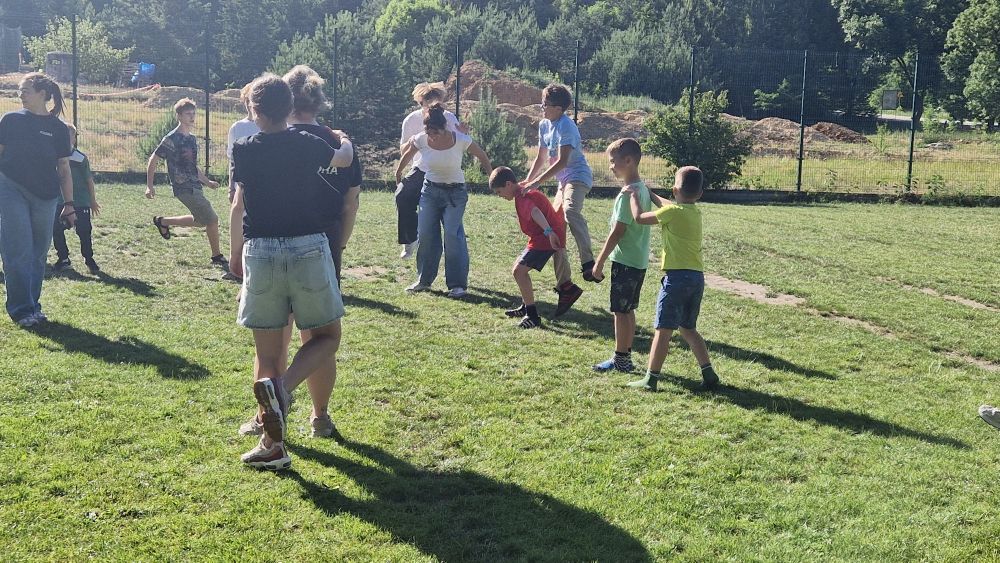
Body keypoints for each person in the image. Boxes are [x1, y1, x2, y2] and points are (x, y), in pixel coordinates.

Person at [229, 73, 354, 470]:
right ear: (291, 107)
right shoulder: (307, 143)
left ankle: (273, 444)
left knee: (268, 355)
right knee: (327, 337)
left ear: (254, 110)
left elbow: (239, 203)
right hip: (308, 248)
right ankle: (283, 391)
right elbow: (343, 159)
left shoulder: (243, 149)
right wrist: (343, 139)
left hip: (260, 251)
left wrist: (234, 254)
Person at [624, 166, 720, 392]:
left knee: (663, 330)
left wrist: (635, 196)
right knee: (688, 328)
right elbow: (670, 206)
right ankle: (708, 373)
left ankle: (650, 379)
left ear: (675, 189)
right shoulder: (693, 212)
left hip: (676, 279)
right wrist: (652, 194)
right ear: (700, 194)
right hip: (696, 279)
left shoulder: (673, 212)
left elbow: (640, 218)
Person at [0, 72, 76, 327]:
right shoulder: (10, 120)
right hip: (11, 188)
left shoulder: (59, 128)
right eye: (20, 90)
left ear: (43, 94)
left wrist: (69, 204)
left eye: (25, 90)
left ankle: (33, 306)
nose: (20, 94)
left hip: (46, 196)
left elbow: (64, 168)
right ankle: (21, 310)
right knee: (18, 249)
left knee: (38, 252)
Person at [395, 103, 491, 299]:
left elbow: (481, 155)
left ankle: (457, 285)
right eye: (429, 132)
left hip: (455, 194)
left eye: (435, 132)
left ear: (444, 127)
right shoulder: (422, 139)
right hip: (430, 192)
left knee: (452, 236)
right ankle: (424, 280)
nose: (432, 136)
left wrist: (492, 176)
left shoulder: (460, 139)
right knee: (426, 234)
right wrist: (398, 173)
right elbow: (407, 155)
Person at [521, 84, 596, 290]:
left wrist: (537, 183)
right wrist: (528, 181)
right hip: (563, 182)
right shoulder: (544, 125)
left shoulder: (566, 126)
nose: (542, 108)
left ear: (558, 108)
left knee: (570, 211)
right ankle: (565, 284)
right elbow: (541, 158)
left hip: (577, 178)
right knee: (554, 227)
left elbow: (562, 162)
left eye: (545, 104)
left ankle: (588, 262)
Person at [489, 166, 583, 328]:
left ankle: (532, 316)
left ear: (508, 184)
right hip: (542, 236)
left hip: (545, 238)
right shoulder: (522, 188)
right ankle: (526, 306)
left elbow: (535, 212)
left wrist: (549, 232)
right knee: (518, 268)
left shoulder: (522, 197)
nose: (500, 196)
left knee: (519, 271)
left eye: (499, 191)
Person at [590, 139, 652, 373]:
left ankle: (621, 360)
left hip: (625, 262)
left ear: (628, 161)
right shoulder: (641, 188)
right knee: (628, 310)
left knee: (620, 312)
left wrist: (599, 262)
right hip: (638, 261)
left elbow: (617, 232)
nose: (610, 166)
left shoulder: (628, 194)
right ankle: (625, 356)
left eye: (612, 161)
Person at [145, 97, 227, 269]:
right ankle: (216, 256)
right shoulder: (171, 139)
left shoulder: (191, 139)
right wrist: (149, 186)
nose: (192, 117)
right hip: (183, 187)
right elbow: (153, 160)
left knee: (202, 221)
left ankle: (163, 221)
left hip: (195, 186)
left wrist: (207, 182)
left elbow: (192, 165)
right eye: (188, 114)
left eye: (193, 113)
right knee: (212, 219)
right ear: (179, 116)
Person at [396, 82, 467, 259]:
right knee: (402, 195)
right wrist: (413, 141)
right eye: (428, 104)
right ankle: (409, 239)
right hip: (421, 167)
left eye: (437, 103)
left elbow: (462, 141)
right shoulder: (411, 120)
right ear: (421, 103)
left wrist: (464, 133)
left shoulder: (449, 118)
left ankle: (447, 244)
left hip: (444, 170)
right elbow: (403, 149)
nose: (433, 107)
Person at [52, 123, 101, 274]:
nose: (66, 140)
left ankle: (89, 258)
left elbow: (89, 180)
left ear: (74, 139)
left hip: (80, 202)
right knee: (56, 228)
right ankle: (63, 258)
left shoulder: (80, 158)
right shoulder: (53, 156)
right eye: (62, 137)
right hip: (59, 201)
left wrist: (92, 200)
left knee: (84, 231)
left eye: (70, 137)